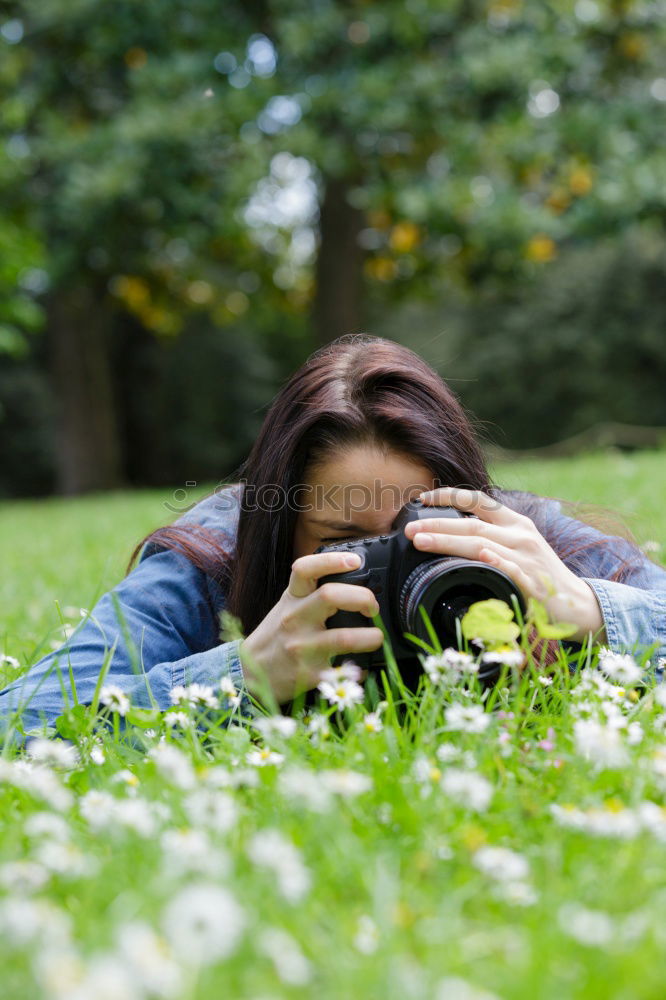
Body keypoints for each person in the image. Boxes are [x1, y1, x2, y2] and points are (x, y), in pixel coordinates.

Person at [2, 334, 665, 736]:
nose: (402, 563)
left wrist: (590, 612)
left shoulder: (516, 541)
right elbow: (20, 725)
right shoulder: (215, 557)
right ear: (277, 532)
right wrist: (244, 675)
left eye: (421, 527)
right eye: (348, 540)